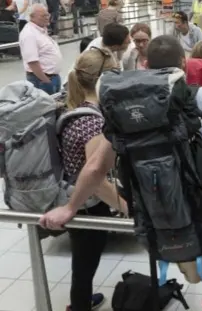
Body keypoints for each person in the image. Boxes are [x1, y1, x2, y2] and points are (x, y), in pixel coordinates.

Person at [39, 35, 202, 231]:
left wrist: (70, 208)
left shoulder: (126, 106)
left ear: (146, 64)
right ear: (184, 64)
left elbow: (97, 166)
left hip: (158, 211)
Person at [59, 48, 128, 311]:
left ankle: (81, 301)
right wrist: (125, 208)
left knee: (84, 261)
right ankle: (79, 306)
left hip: (78, 197)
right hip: (88, 203)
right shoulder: (91, 122)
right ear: (103, 80)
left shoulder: (79, 108)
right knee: (85, 262)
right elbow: (97, 179)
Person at [19, 4, 62, 95]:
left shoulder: (41, 30)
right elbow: (32, 62)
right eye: (43, 16)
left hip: (52, 77)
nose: (47, 18)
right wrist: (46, 80)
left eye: (47, 15)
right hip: (41, 81)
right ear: (32, 17)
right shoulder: (29, 34)